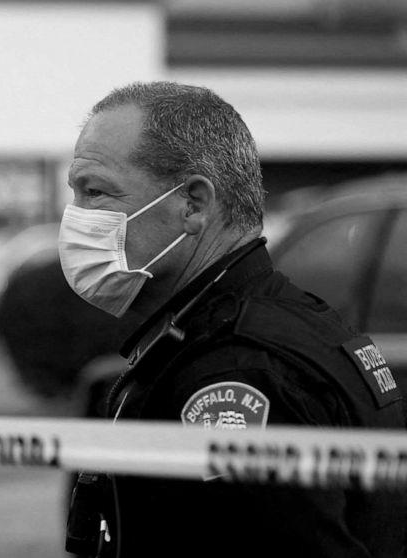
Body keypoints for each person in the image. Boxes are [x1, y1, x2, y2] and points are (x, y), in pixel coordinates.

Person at [57, 81, 407, 558]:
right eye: (75, 194)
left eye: (95, 192)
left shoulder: (241, 371)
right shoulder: (225, 332)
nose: (76, 218)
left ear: (193, 205)